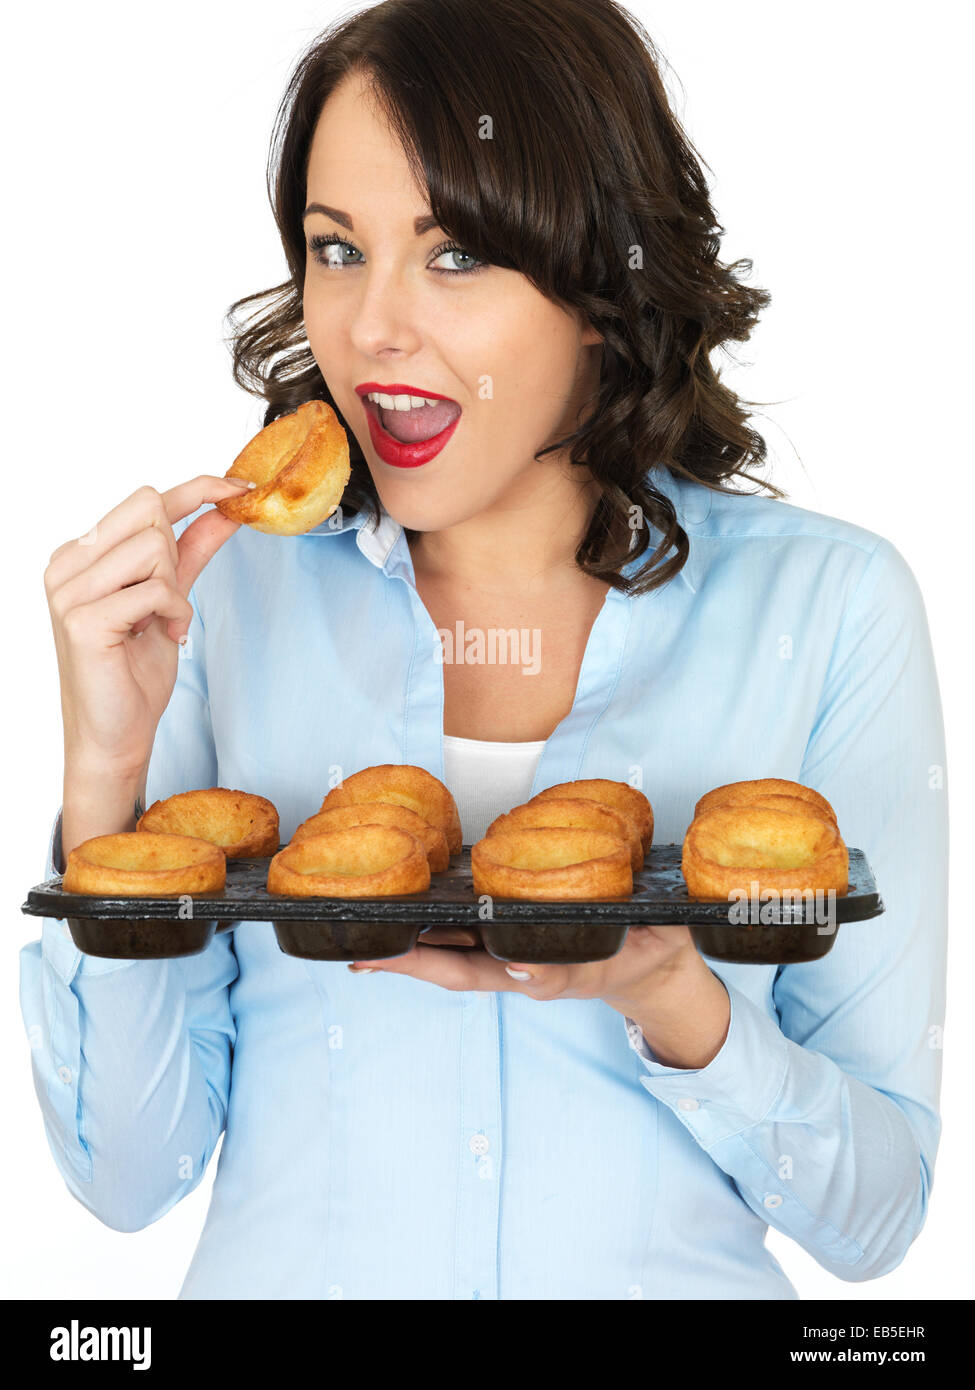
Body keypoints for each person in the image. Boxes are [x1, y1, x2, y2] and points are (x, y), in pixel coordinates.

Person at [20, 0, 947, 1300]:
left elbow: (879, 1213)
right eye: (337, 251)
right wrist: (103, 780)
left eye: (453, 256)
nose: (371, 329)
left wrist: (675, 997)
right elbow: (125, 1181)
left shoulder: (832, 608)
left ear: (601, 288)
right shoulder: (222, 605)